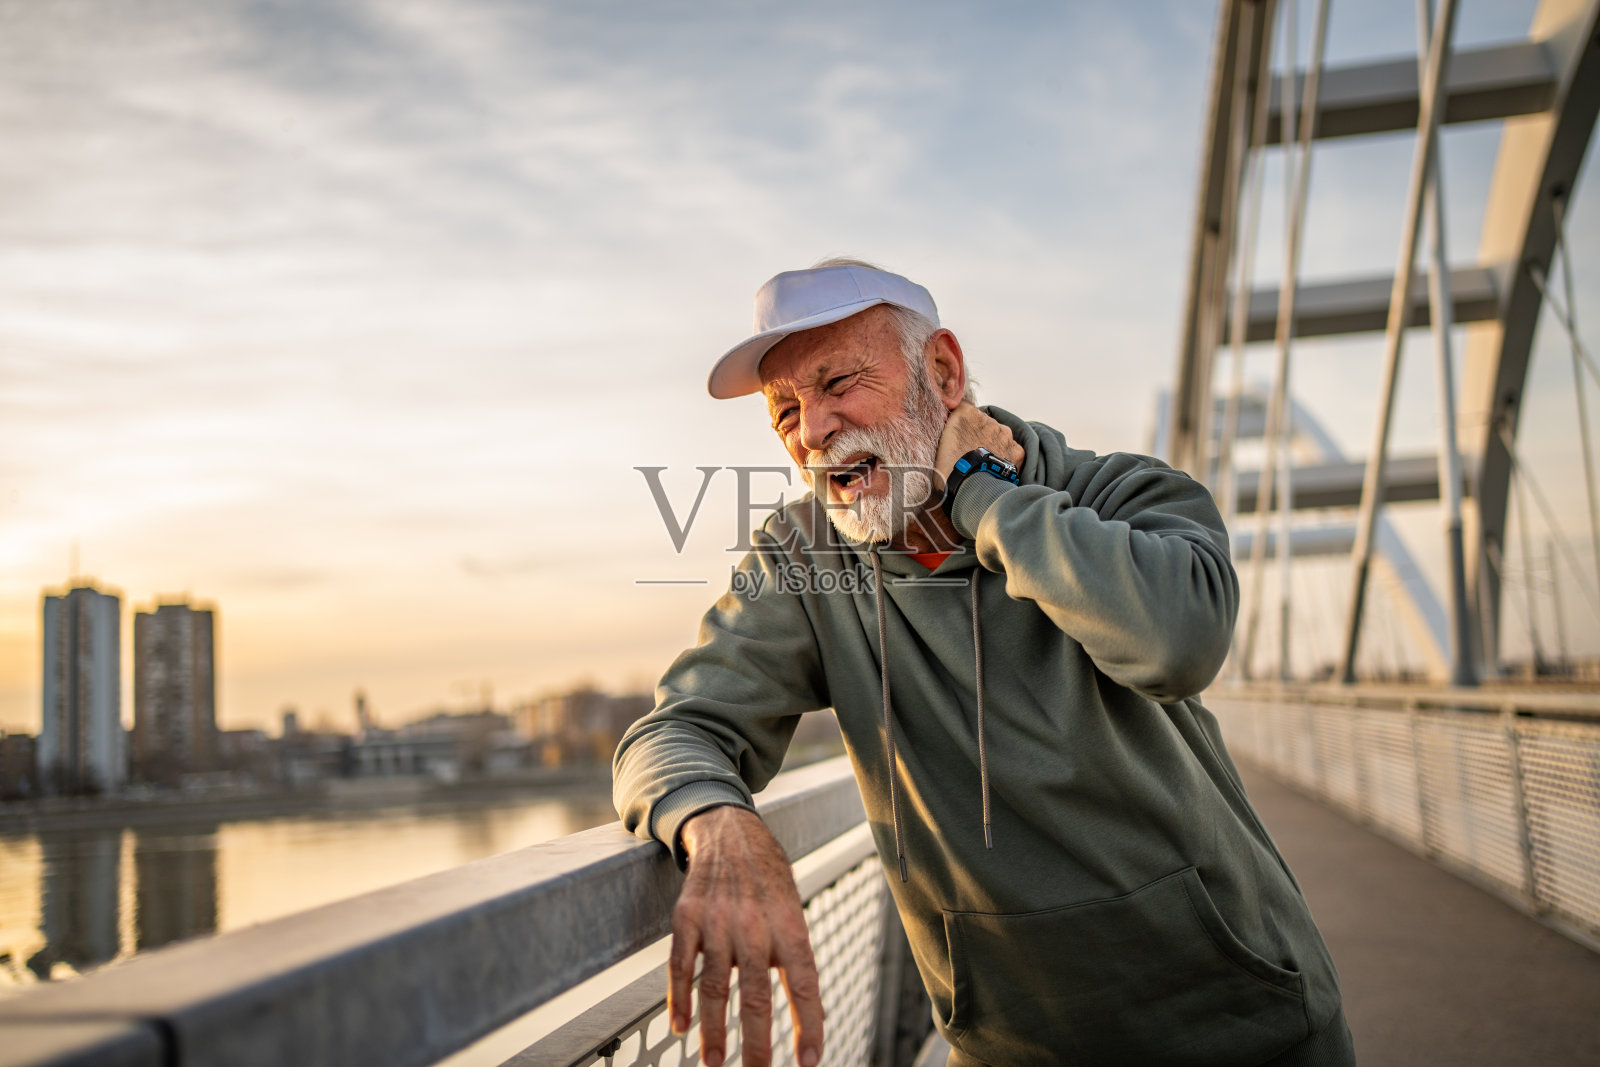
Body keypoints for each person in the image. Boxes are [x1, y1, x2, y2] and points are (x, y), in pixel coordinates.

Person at [613, 259, 1355, 1067]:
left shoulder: (1114, 492)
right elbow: (673, 730)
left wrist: (982, 496)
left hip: (1247, 1033)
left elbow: (1181, 641)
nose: (813, 430)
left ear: (943, 372)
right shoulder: (803, 559)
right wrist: (720, 827)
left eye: (837, 383)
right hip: (1011, 1052)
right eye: (785, 411)